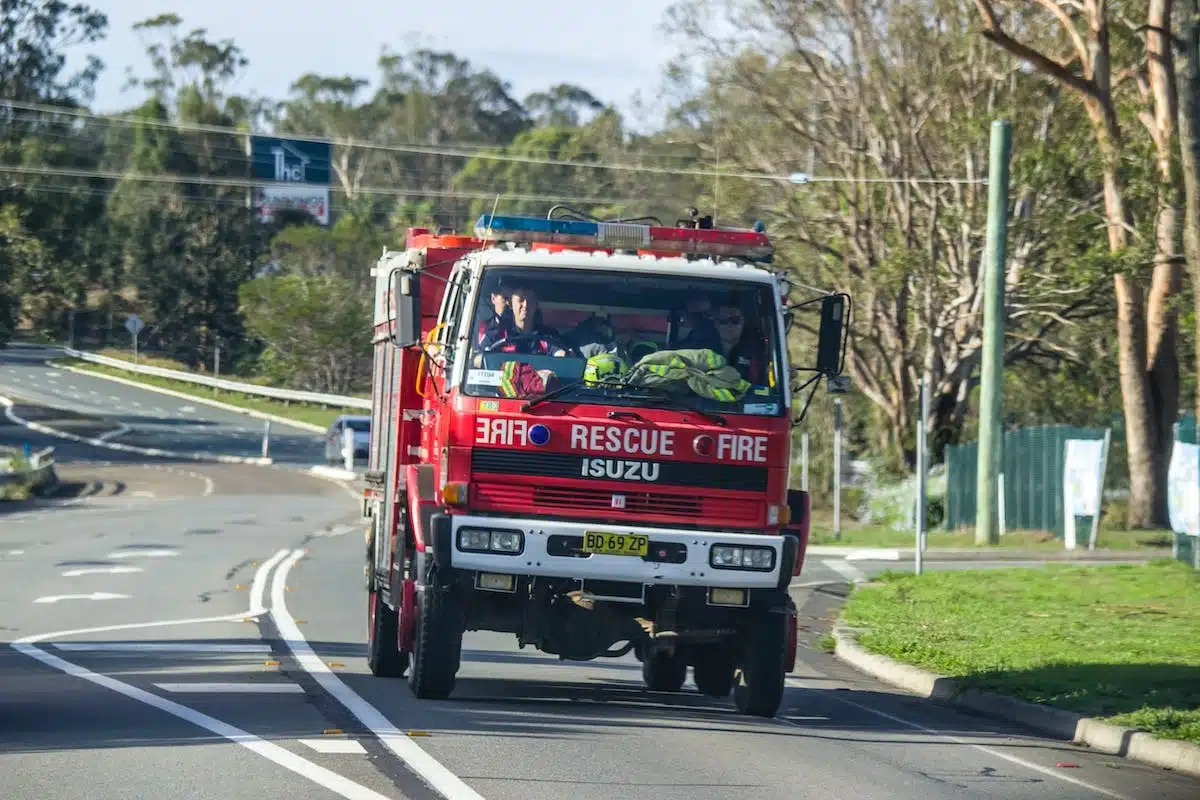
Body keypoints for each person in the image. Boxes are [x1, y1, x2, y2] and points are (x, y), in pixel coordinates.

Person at [478, 284, 569, 356]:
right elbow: (478, 358)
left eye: (530, 300)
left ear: (536, 305)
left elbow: (560, 356)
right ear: (511, 303)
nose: (525, 305)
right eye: (521, 300)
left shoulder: (548, 336)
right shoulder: (497, 333)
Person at [711, 301, 766, 383]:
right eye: (724, 321)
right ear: (715, 323)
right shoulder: (701, 349)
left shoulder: (758, 353)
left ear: (743, 322)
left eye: (735, 320)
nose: (730, 326)